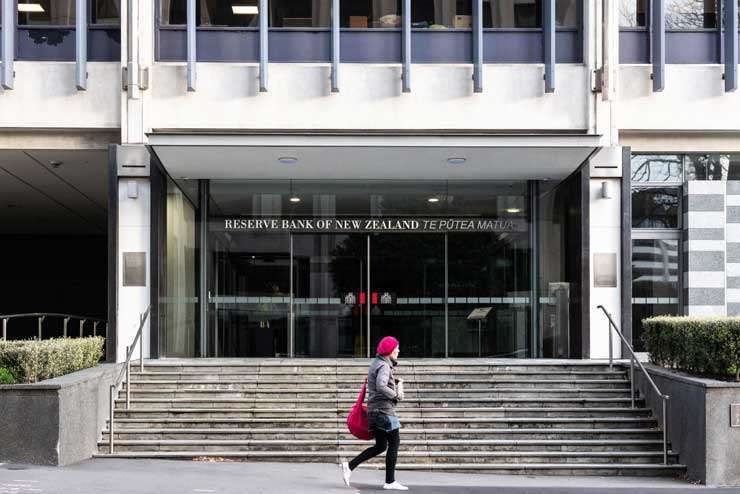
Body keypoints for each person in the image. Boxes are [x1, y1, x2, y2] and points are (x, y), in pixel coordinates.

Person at [340, 336, 408, 490]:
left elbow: (379, 383)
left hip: (375, 411)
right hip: (384, 412)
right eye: (396, 347)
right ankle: (390, 482)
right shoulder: (384, 366)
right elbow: (381, 385)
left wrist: (394, 381)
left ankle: (349, 466)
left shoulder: (376, 363)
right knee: (395, 442)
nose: (398, 350)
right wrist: (395, 394)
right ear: (389, 350)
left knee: (380, 446)